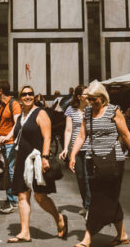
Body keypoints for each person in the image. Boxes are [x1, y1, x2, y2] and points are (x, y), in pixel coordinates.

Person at [68, 81, 130, 247]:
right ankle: (122, 235)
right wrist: (72, 155)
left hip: (114, 161)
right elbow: (81, 136)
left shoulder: (113, 111)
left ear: (102, 97)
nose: (91, 103)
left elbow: (127, 135)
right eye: (89, 99)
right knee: (108, 197)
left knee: (98, 199)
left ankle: (87, 237)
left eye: (94, 99)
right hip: (93, 160)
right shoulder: (87, 112)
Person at [2, 84, 67, 244]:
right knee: (22, 196)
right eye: (24, 94)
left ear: (34, 96)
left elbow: (47, 137)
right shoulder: (19, 118)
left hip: (37, 160)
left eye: (30, 94)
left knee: (40, 197)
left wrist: (45, 158)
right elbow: (18, 140)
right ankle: (25, 232)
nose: (28, 96)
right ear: (20, 98)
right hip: (22, 161)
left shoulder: (40, 113)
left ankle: (59, 218)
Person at [0, 79, 21, 214]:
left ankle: (13, 201)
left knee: (9, 170)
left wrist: (7, 137)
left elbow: (17, 123)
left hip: (10, 142)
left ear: (1, 90)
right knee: (4, 169)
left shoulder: (14, 104)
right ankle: (11, 197)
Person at [59, 85, 90, 215]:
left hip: (90, 148)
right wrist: (66, 148)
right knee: (80, 177)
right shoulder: (71, 110)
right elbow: (68, 130)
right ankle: (85, 203)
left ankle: (89, 206)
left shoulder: (92, 109)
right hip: (76, 150)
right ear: (79, 96)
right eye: (86, 94)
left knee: (88, 178)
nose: (89, 96)